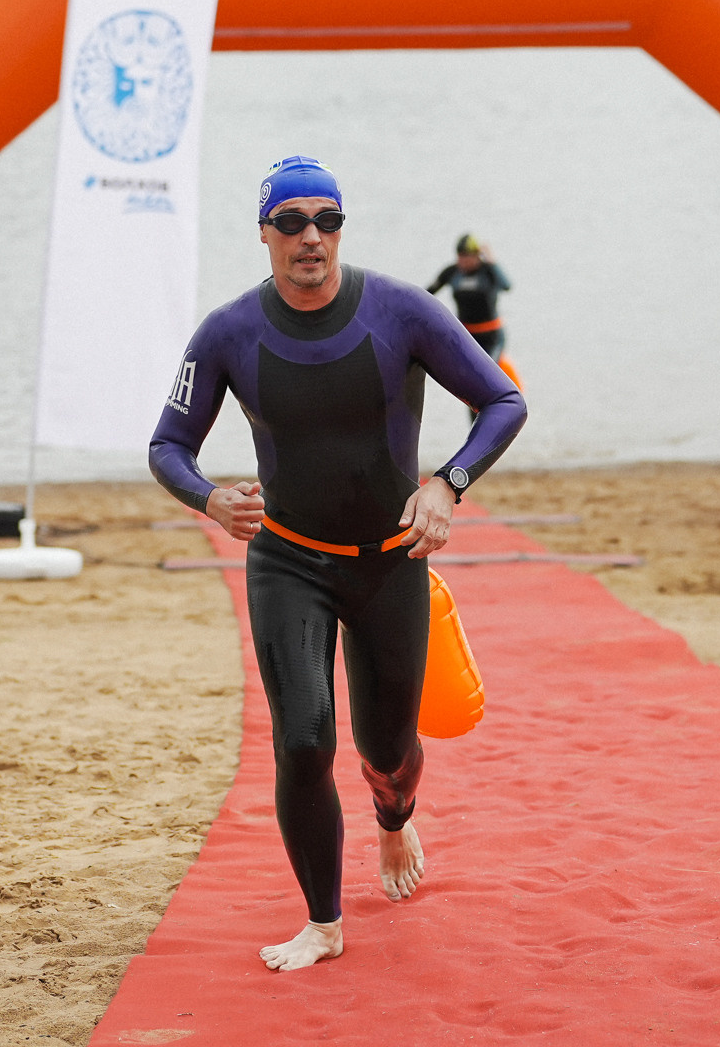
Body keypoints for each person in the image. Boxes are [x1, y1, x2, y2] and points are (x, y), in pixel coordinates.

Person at [149, 155, 526, 973]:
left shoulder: (404, 311)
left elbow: (503, 400)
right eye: (291, 222)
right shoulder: (226, 332)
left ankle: (394, 821)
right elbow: (167, 446)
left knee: (388, 750)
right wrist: (209, 499)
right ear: (264, 233)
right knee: (303, 740)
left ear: (341, 229)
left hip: (392, 563)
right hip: (289, 561)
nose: (310, 237)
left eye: (327, 220)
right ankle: (322, 923)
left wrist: (448, 485)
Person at [426, 234, 512, 359]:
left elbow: (506, 286)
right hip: (466, 335)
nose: (463, 261)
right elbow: (428, 293)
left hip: (490, 337)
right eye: (460, 256)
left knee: (486, 372)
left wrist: (492, 262)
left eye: (467, 256)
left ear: (477, 255)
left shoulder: (488, 271)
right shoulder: (452, 272)